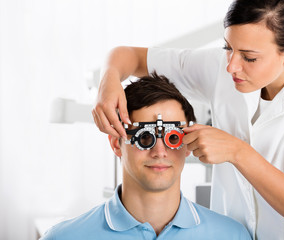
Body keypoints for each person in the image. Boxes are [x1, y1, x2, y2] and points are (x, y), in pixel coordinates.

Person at [92, 0, 284, 239]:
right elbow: (129, 55)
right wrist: (108, 82)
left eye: (249, 57)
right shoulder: (223, 67)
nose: (231, 65)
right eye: (228, 47)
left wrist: (238, 152)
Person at [41, 72, 251, 240]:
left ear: (188, 143)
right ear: (117, 143)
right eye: (145, 139)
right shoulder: (63, 237)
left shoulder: (232, 235)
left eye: (173, 138)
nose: (160, 152)